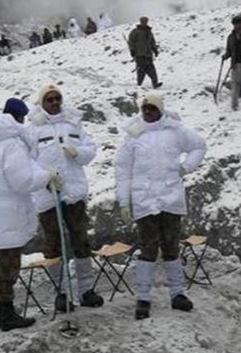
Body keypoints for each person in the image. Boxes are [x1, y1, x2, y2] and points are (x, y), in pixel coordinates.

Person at [115, 92, 207, 320]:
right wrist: (124, 201)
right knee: (148, 248)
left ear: (161, 110)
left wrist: (186, 167)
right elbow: (123, 171)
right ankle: (143, 298)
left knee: (171, 246)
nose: (148, 112)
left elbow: (199, 146)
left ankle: (178, 294)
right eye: (145, 108)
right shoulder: (133, 136)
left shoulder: (175, 131)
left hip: (170, 197)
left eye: (153, 108)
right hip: (144, 200)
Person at [0, 98, 61, 331]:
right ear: (20, 118)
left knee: (2, 266)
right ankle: (5, 315)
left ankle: (1, 314)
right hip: (8, 215)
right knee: (8, 267)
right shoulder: (11, 144)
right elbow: (22, 181)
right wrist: (48, 176)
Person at [27, 84, 104, 311]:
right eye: (49, 99)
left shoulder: (74, 123)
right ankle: (61, 293)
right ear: (42, 103)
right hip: (47, 195)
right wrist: (45, 178)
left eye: (56, 98)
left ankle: (85, 290)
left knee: (80, 240)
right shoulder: (32, 130)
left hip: (74, 193)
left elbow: (90, 150)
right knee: (53, 244)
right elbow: (28, 161)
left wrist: (77, 152)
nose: (53, 103)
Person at [128, 16, 161, 89]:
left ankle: (155, 83)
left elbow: (152, 42)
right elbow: (131, 42)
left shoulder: (149, 32)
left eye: (145, 21)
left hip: (148, 54)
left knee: (152, 70)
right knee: (141, 71)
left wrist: (155, 50)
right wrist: (132, 50)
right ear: (140, 22)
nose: (144, 23)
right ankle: (139, 84)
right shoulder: (135, 32)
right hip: (139, 54)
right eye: (143, 21)